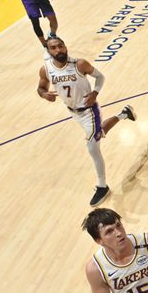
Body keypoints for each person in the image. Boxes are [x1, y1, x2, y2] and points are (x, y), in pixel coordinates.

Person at [36, 36, 137, 206]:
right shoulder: (45, 69)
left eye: (61, 46)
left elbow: (100, 77)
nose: (58, 50)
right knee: (99, 133)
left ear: (65, 46)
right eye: (54, 47)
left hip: (90, 111)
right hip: (73, 112)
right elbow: (41, 87)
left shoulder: (79, 64)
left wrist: (95, 93)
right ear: (48, 51)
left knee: (92, 147)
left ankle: (102, 186)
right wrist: (44, 94)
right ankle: (124, 114)